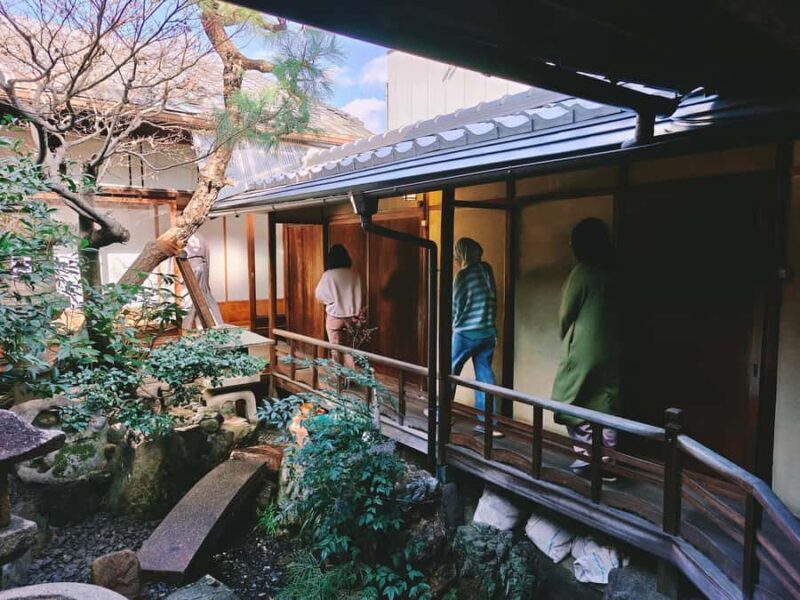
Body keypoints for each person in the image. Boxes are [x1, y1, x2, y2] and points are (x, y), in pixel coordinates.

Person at [551, 218, 620, 480]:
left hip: (585, 347)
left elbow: (566, 313)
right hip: (612, 346)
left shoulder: (582, 272)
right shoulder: (612, 271)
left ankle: (585, 459)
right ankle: (610, 465)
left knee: (570, 398)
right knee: (606, 402)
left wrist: (565, 336)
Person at [451, 237, 503, 438]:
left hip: (466, 332)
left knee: (450, 371)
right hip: (487, 333)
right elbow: (494, 301)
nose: (455, 256)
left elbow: (456, 306)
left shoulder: (463, 276)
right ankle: (490, 423)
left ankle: (442, 413)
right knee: (485, 376)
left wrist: (453, 327)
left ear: (462, 254)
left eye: (456, 253)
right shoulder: (487, 270)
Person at [315, 244, 363, 364]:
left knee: (336, 349)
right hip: (352, 318)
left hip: (334, 317)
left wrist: (331, 301)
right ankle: (350, 378)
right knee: (349, 350)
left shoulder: (328, 275)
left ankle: (339, 379)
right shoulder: (355, 276)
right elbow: (361, 294)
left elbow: (319, 295)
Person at [181, 232, 223, 330]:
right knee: (190, 299)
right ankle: (186, 328)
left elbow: (206, 257)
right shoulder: (182, 237)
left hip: (200, 267)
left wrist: (205, 273)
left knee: (204, 296)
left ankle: (212, 326)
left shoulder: (200, 237)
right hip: (189, 266)